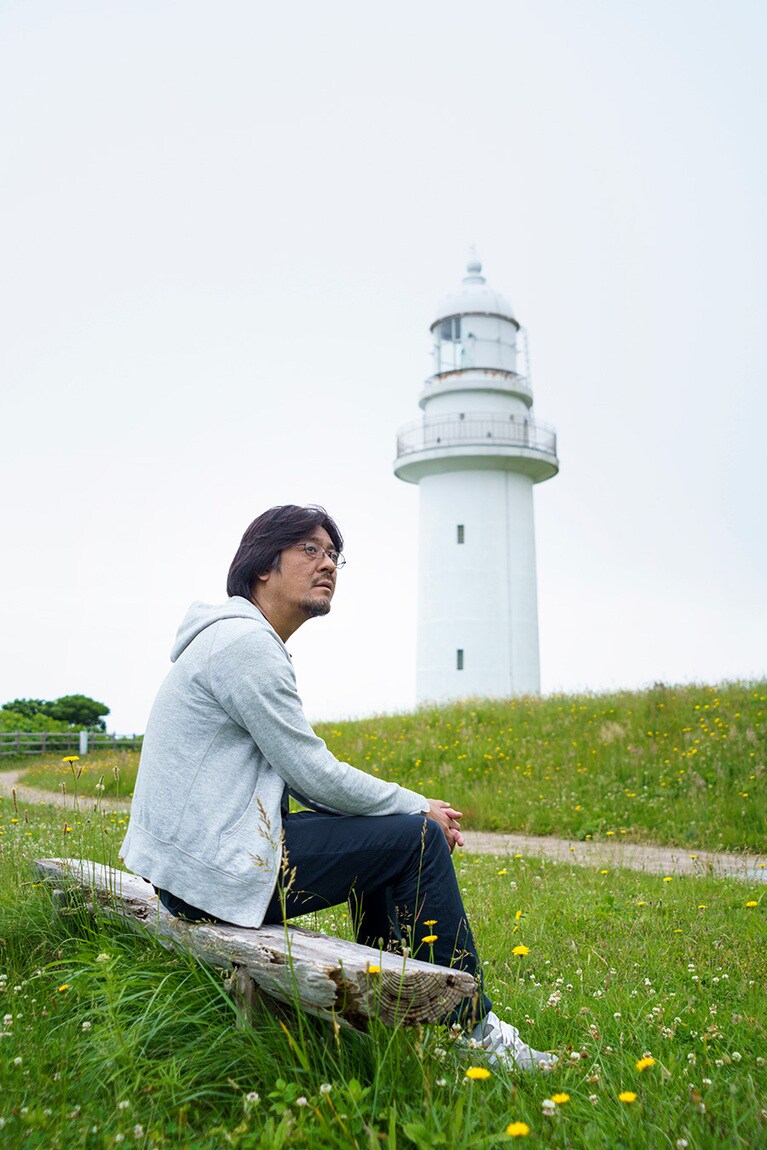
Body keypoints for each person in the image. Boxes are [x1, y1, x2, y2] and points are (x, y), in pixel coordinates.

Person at [120, 504, 556, 1070]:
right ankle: (467, 1030)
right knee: (415, 840)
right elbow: (312, 774)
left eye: (334, 555)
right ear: (262, 567)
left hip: (196, 869)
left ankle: (402, 1014)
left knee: (393, 837)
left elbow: (310, 783)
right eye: (310, 550)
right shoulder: (244, 646)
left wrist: (399, 814)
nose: (328, 564)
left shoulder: (234, 640)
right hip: (211, 878)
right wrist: (419, 806)